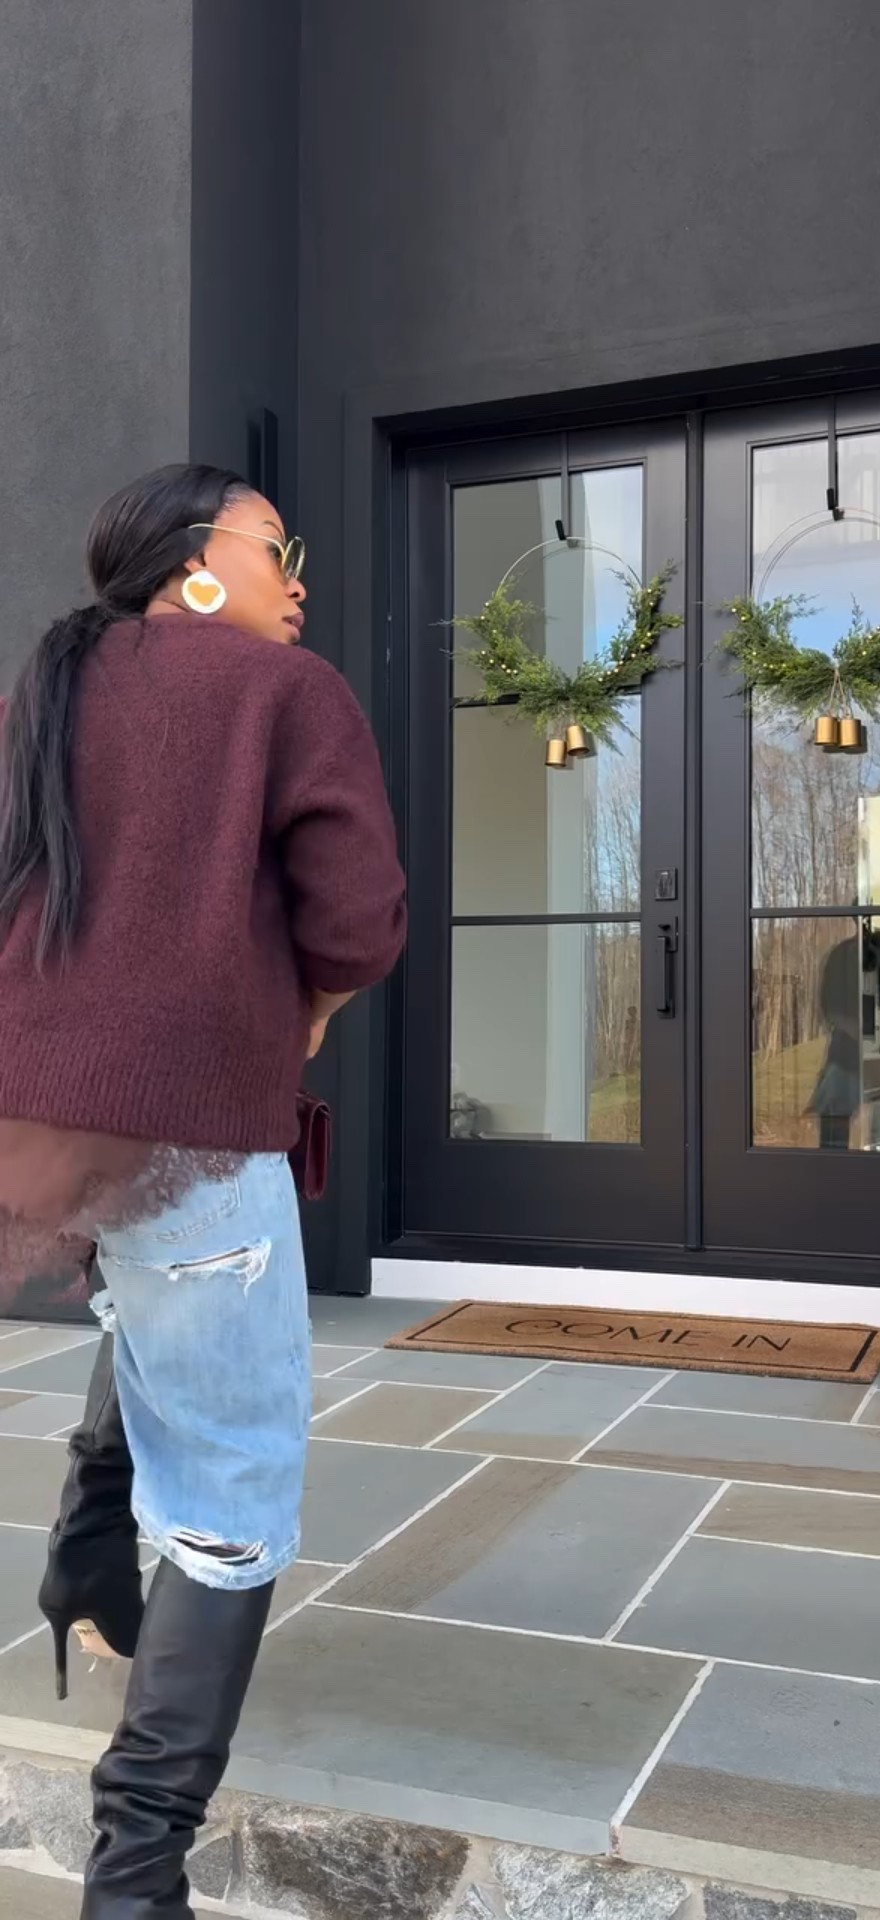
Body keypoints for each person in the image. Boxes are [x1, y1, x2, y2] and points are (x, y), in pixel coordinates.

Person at [0, 464, 406, 1918]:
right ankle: (137, 1872)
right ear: (196, 569)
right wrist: (303, 1004)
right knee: (235, 1489)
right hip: (186, 1128)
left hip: (36, 1124)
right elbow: (359, 922)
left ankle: (86, 1551)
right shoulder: (280, 694)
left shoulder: (46, 687)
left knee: (151, 1308)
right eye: (272, 547)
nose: (297, 576)